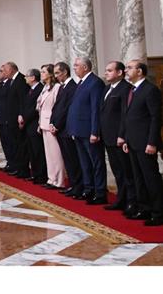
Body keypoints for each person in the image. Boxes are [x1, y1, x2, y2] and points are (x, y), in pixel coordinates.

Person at [120, 60, 163, 225]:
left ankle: (158, 213)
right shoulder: (132, 90)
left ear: (140, 71)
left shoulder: (150, 90)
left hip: (146, 143)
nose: (126, 70)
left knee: (151, 178)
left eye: (130, 68)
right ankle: (144, 208)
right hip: (133, 141)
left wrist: (152, 142)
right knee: (138, 178)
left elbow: (155, 118)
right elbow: (129, 117)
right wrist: (126, 138)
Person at [66, 57, 106, 204]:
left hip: (89, 131)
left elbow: (95, 109)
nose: (74, 68)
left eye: (76, 65)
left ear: (85, 67)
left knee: (96, 163)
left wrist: (95, 131)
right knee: (85, 163)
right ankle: (88, 189)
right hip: (78, 130)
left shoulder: (95, 82)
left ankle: (100, 193)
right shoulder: (81, 82)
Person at [98, 61, 134, 213]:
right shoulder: (107, 88)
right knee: (117, 171)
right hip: (108, 136)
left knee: (127, 171)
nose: (106, 73)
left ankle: (131, 202)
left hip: (119, 137)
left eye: (109, 70)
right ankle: (121, 199)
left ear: (119, 73)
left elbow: (125, 115)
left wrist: (122, 135)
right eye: (106, 70)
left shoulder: (126, 88)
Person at [49, 61, 81, 197]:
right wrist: (52, 122)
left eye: (57, 73)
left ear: (65, 72)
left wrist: (57, 125)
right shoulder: (63, 87)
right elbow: (56, 107)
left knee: (73, 159)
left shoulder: (72, 87)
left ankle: (78, 186)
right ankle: (73, 185)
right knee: (67, 159)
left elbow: (66, 109)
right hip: (60, 129)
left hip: (66, 128)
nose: (56, 76)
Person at [36, 64, 66, 189]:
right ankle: (51, 179)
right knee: (48, 154)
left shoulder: (57, 87)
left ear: (50, 74)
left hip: (51, 123)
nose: (41, 74)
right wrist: (39, 123)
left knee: (56, 154)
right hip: (43, 123)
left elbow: (57, 106)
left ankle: (59, 181)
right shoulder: (45, 87)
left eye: (44, 72)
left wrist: (54, 123)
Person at [2, 62, 29, 177]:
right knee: (13, 144)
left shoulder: (21, 80)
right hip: (11, 119)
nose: (4, 72)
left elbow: (23, 100)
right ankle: (15, 166)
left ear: (12, 69)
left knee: (19, 145)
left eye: (5, 70)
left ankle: (22, 169)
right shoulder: (12, 81)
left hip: (18, 119)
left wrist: (21, 115)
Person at [20, 68, 44, 184]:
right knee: (32, 152)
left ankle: (41, 175)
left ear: (33, 78)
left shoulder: (40, 89)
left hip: (34, 124)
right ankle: (35, 174)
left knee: (38, 151)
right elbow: (25, 105)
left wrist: (24, 118)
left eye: (27, 76)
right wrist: (21, 115)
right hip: (28, 125)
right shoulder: (30, 90)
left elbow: (35, 108)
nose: (25, 78)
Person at [0, 66, 12, 171]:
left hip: (7, 119)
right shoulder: (1, 84)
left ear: (6, 73)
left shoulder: (10, 84)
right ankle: (8, 162)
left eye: (1, 71)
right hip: (0, 118)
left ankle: (12, 164)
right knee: (4, 142)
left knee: (9, 142)